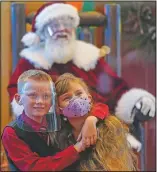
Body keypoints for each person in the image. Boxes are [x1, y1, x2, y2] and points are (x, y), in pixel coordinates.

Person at [8, 2, 155, 151]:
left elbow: (115, 88)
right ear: (43, 32)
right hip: (52, 134)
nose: (62, 30)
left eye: (67, 23)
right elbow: (18, 95)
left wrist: (137, 100)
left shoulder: (89, 57)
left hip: (101, 126)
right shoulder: (32, 60)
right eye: (54, 25)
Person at [2, 70, 103, 171]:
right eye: (32, 95)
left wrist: (91, 120)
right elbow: (35, 168)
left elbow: (101, 107)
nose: (40, 101)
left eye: (46, 96)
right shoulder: (11, 132)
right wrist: (77, 148)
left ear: (53, 101)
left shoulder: (57, 118)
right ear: (18, 99)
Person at [54, 73, 138, 171]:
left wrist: (91, 120)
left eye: (79, 94)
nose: (75, 99)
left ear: (89, 98)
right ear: (59, 109)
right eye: (67, 98)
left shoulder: (108, 127)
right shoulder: (59, 136)